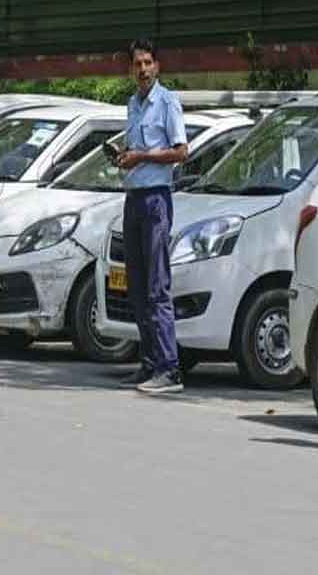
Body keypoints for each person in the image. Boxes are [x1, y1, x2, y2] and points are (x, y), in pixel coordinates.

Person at [116, 39, 188, 394]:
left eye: (148, 63)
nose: (143, 70)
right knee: (138, 284)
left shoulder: (168, 102)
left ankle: (169, 369)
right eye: (137, 64)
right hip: (134, 197)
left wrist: (141, 157)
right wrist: (126, 157)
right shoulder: (132, 104)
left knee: (158, 286)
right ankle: (149, 363)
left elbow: (180, 152)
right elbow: (136, 150)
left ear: (157, 66)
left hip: (157, 201)